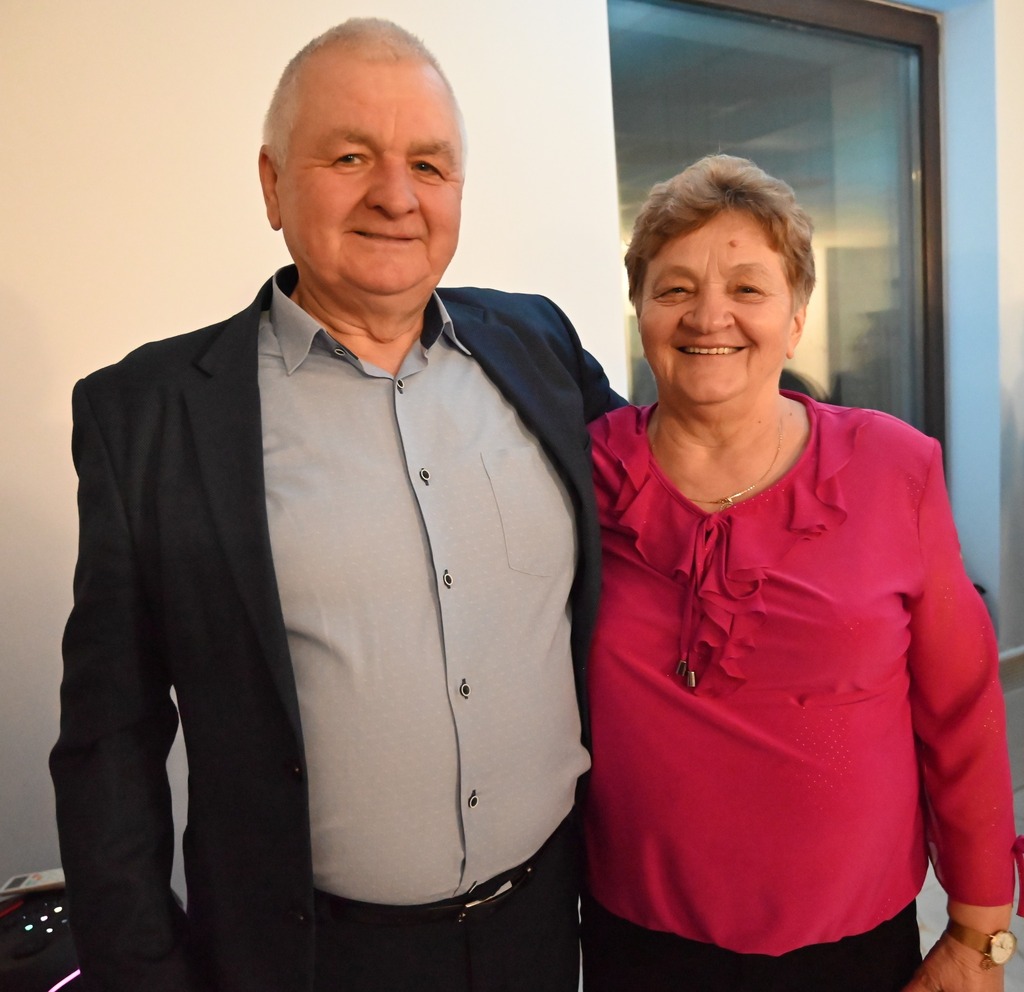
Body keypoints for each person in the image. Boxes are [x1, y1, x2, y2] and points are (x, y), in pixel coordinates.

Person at [49, 18, 622, 992]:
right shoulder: (150, 414)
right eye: (351, 156)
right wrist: (142, 971)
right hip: (310, 956)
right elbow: (110, 739)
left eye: (428, 164)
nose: (396, 195)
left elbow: (674, 494)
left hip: (546, 923)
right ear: (272, 183)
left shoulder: (540, 345)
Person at [581, 153, 1023, 992]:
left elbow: (963, 710)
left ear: (795, 318)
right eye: (675, 288)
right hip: (637, 942)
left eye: (747, 287)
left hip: (852, 948)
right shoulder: (583, 472)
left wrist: (979, 932)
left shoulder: (894, 468)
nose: (709, 314)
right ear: (640, 310)